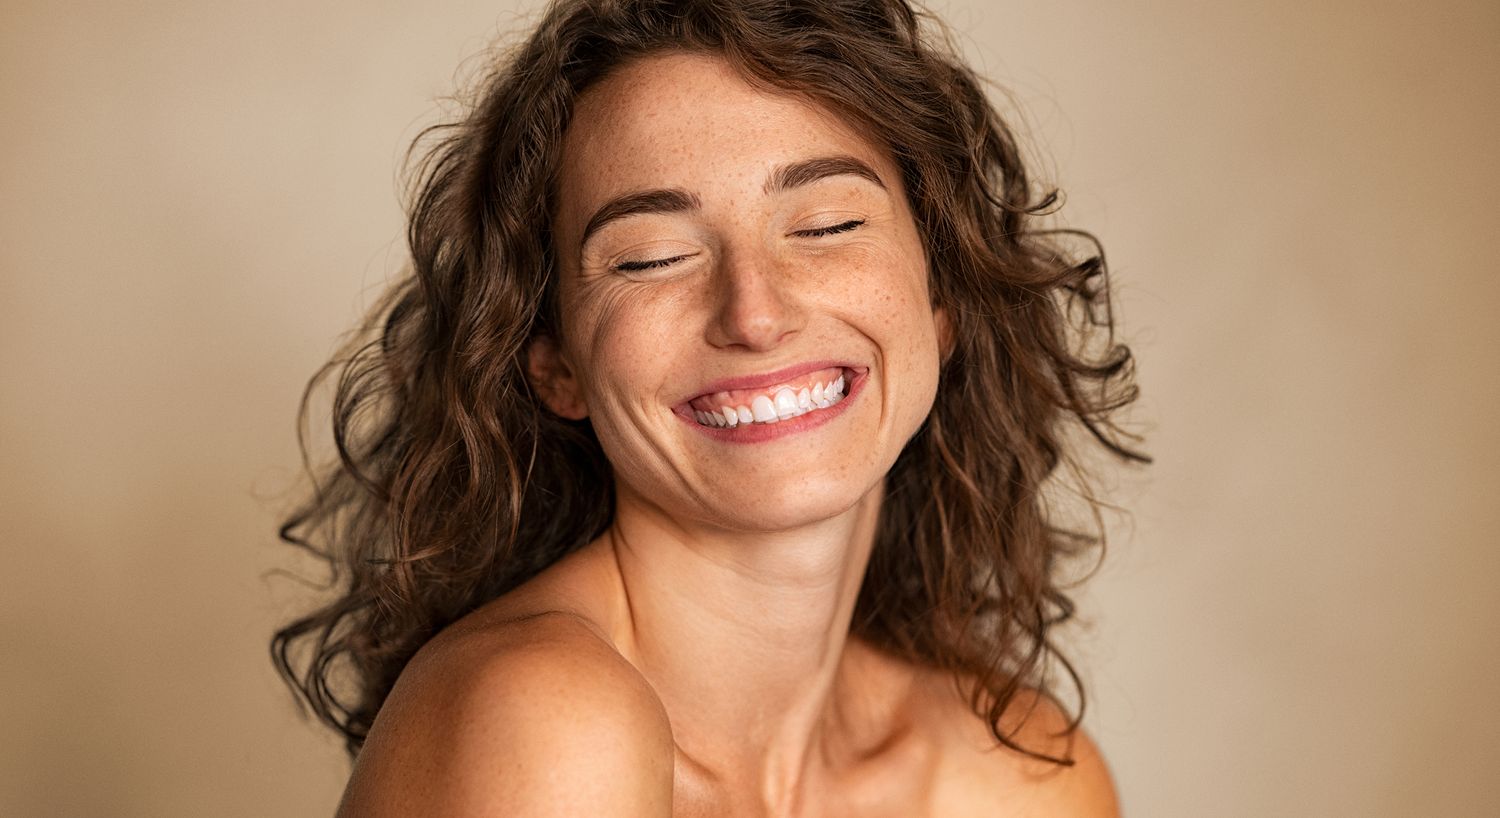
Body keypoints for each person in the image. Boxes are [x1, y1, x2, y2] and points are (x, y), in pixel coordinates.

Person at [272, 0, 1147, 814]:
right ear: (553, 363)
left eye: (829, 224)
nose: (755, 314)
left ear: (941, 302)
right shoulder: (542, 719)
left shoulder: (1023, 778)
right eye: (651, 257)